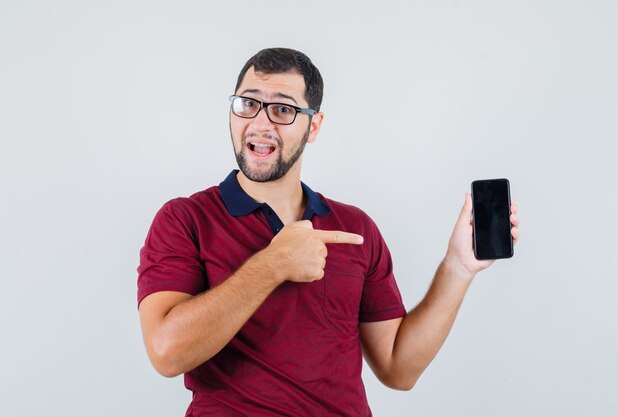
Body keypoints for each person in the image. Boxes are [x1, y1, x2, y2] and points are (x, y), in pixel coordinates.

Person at [137, 47, 520, 416]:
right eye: (248, 103)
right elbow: (166, 352)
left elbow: (398, 370)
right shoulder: (185, 219)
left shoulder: (355, 229)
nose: (260, 122)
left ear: (313, 126)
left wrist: (457, 267)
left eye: (283, 109)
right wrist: (273, 265)